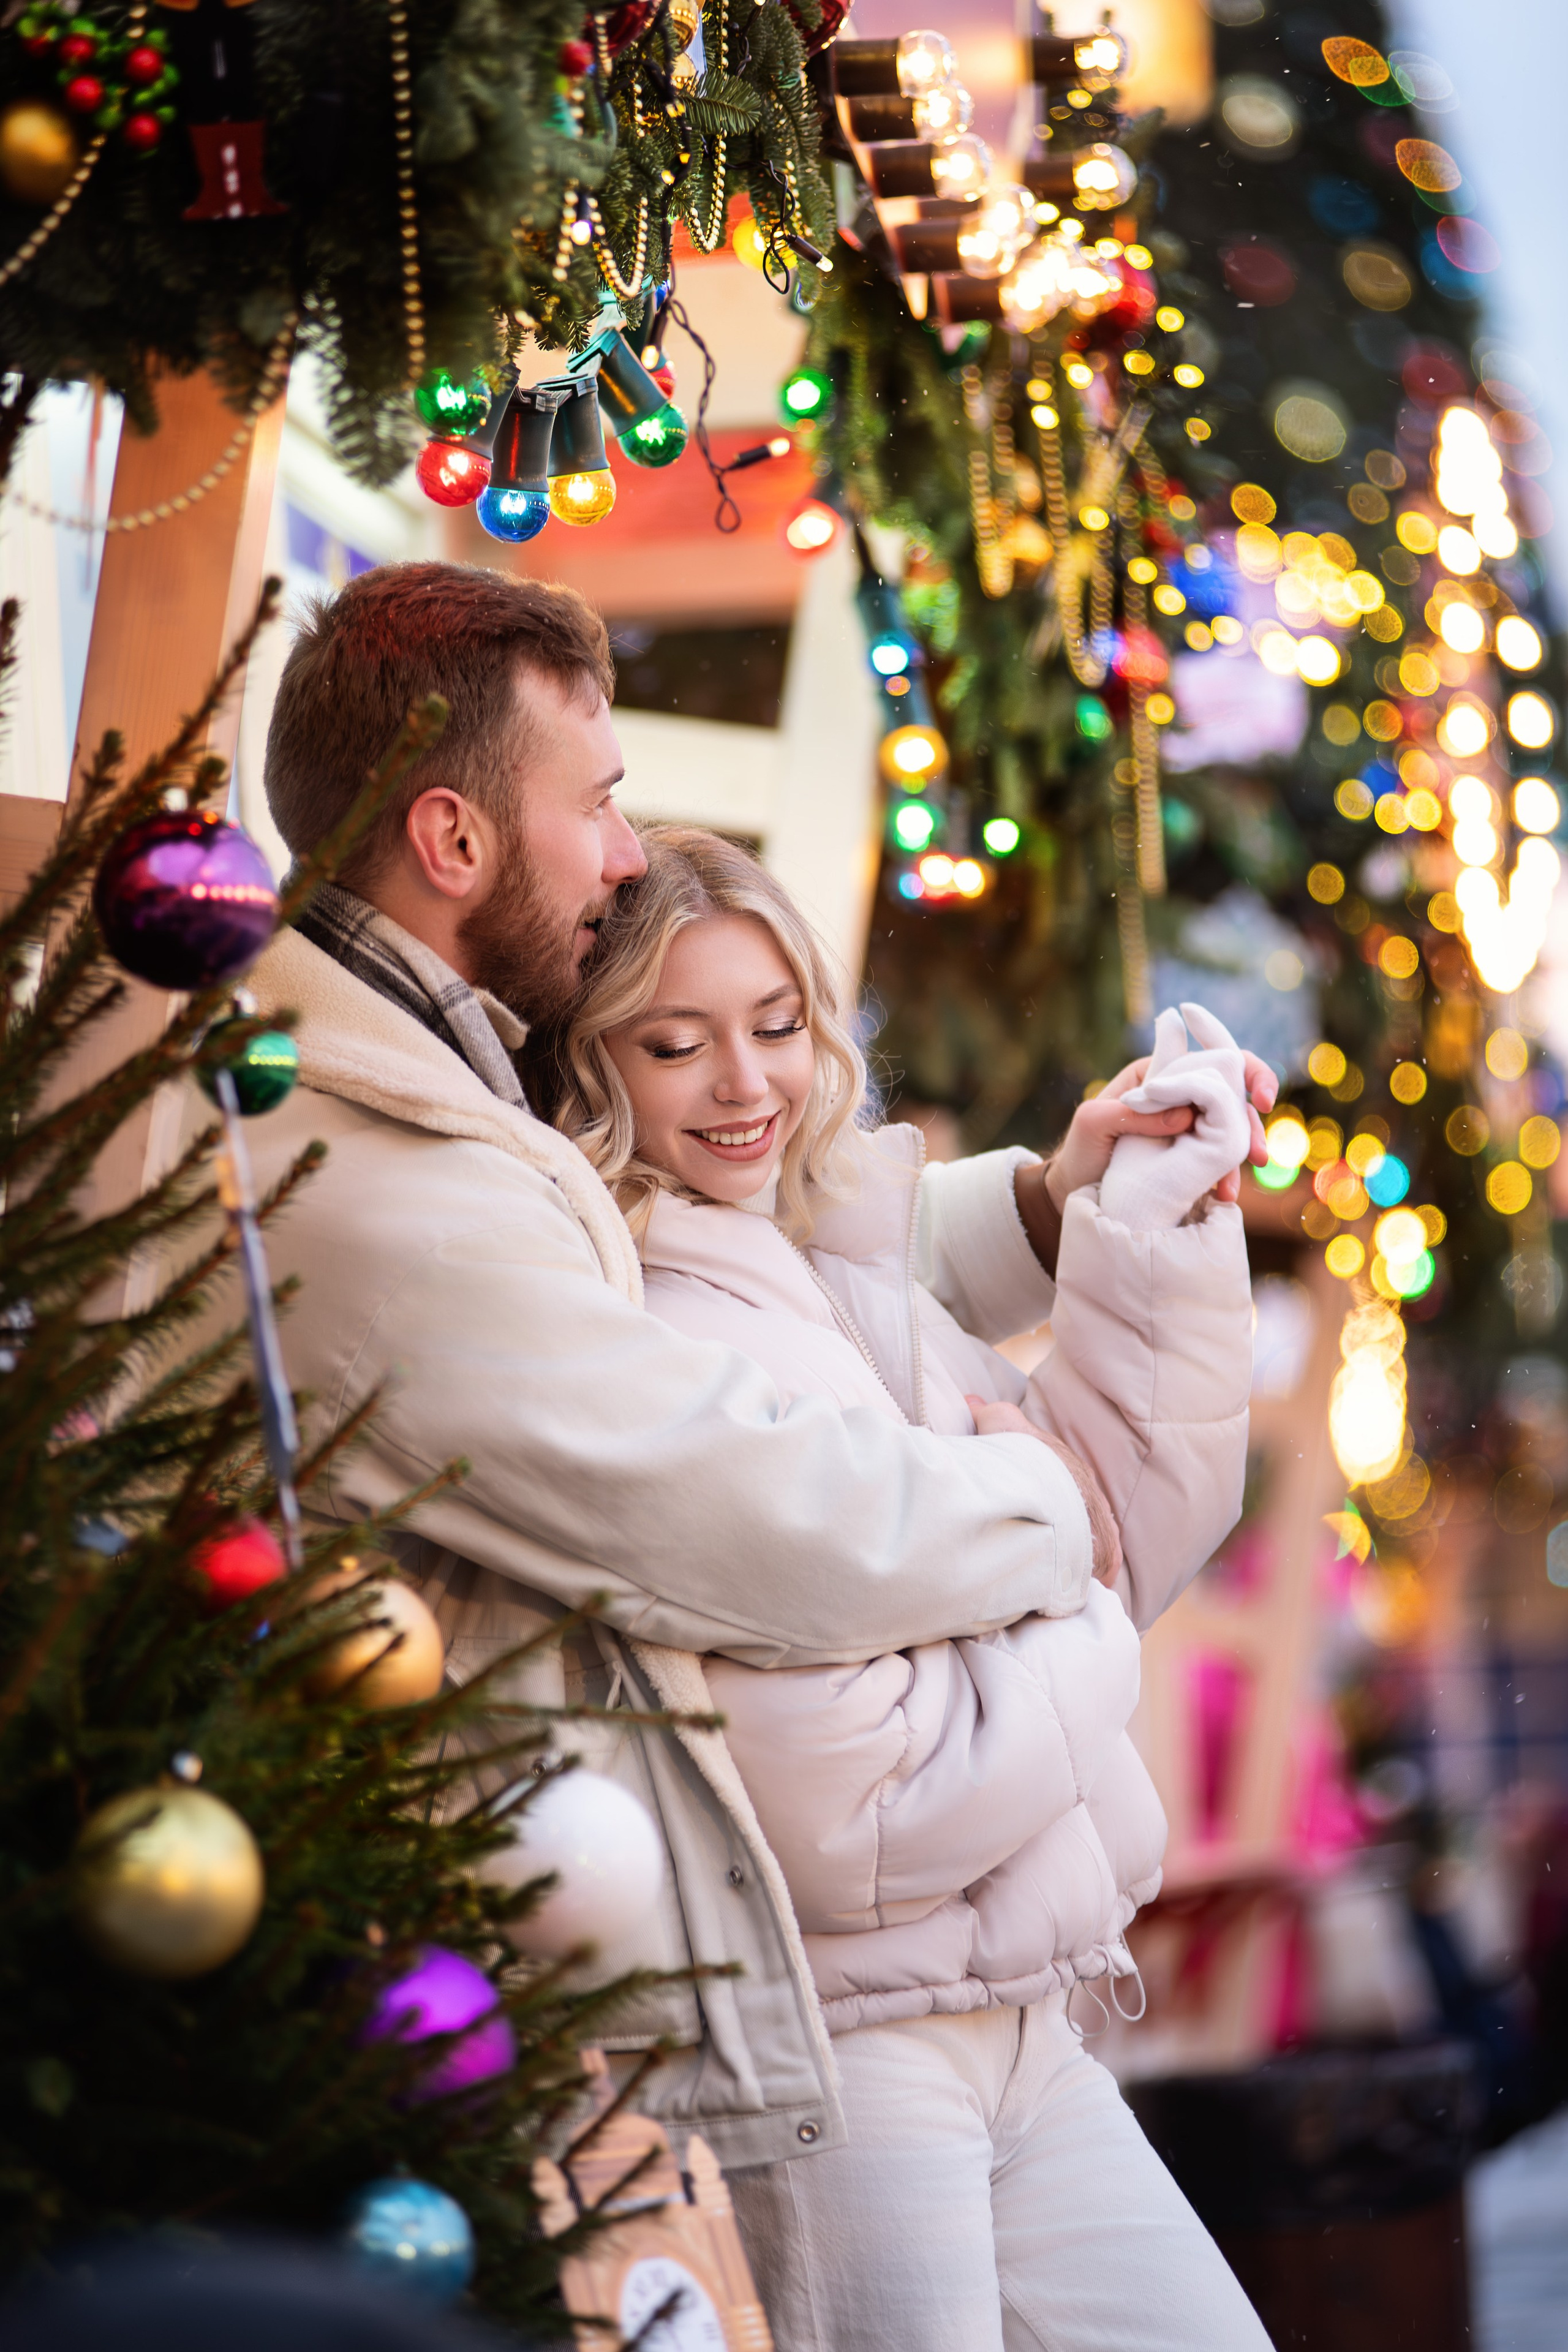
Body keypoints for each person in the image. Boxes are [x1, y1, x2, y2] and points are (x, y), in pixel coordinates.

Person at [199, 561, 1276, 2193]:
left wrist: (1047, 1208)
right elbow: (721, 1485)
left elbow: (741, 1268)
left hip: (762, 1966)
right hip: (637, 1990)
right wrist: (1050, 1506)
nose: (626, 853)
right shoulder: (366, 1143)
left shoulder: (432, 1061)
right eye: (601, 801)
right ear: (454, 840)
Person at [532, 824, 1269, 2351]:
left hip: (1028, 2024)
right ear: (595, 1065)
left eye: (779, 1025)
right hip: (840, 2060)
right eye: (675, 1043)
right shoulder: (657, 1335)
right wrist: (1061, 1601)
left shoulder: (834, 1280)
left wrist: (1148, 1223)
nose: (746, 1084)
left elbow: (1134, 1515)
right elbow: (857, 1815)